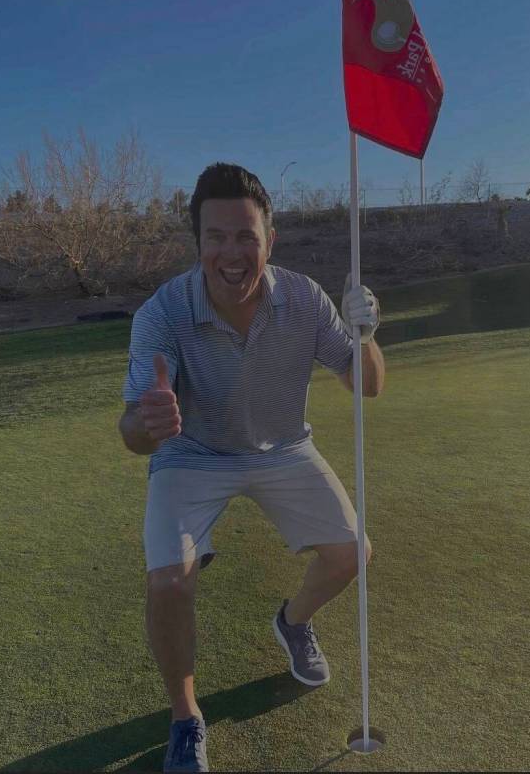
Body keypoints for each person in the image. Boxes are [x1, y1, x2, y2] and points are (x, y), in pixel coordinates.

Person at [118, 162, 385, 773]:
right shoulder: (163, 313)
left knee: (353, 555)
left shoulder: (304, 298)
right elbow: (133, 433)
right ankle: (186, 720)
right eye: (217, 237)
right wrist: (147, 422)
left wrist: (365, 333)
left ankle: (292, 623)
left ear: (270, 239)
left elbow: (365, 386)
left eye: (246, 236)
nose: (232, 252)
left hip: (283, 446)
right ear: (198, 244)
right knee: (168, 581)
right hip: (192, 453)